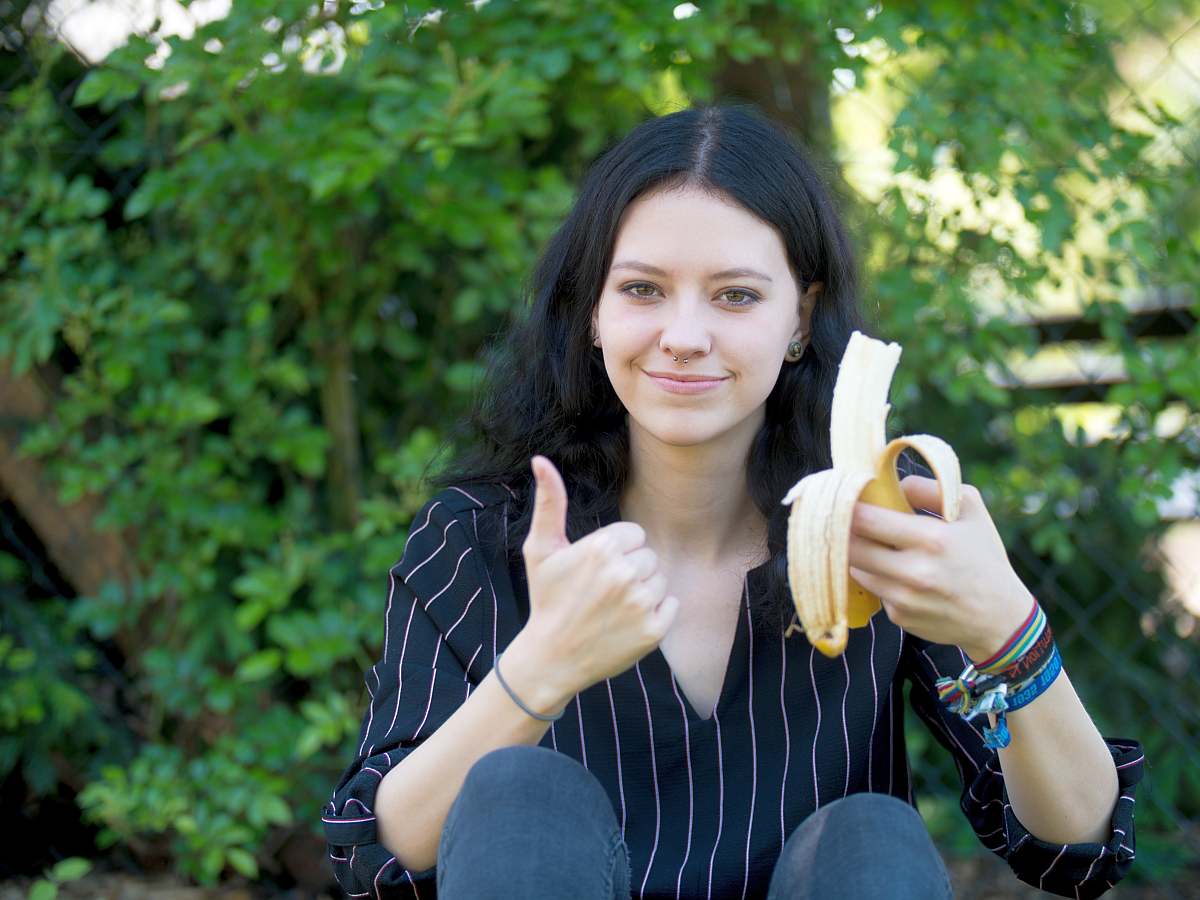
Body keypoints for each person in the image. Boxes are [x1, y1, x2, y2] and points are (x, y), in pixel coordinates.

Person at [321, 103, 1145, 899]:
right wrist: (544, 665)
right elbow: (377, 852)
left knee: (872, 836)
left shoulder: (889, 536)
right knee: (517, 797)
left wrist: (1008, 627)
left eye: (736, 295)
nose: (684, 335)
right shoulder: (479, 536)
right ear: (594, 315)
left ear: (800, 319)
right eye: (643, 289)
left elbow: (1071, 849)